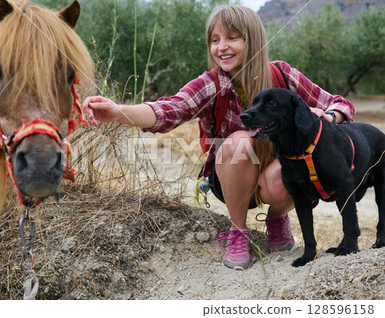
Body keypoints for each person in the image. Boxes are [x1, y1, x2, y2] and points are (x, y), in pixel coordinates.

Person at [82, 4, 355, 270]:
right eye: (215, 40)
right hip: (230, 177)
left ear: (253, 40)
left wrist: (329, 117)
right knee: (237, 142)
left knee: (288, 170)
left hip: (278, 176)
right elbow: (169, 110)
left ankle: (276, 219)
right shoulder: (211, 83)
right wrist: (119, 112)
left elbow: (341, 104)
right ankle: (238, 232)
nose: (221, 47)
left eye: (232, 37)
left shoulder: (282, 75)